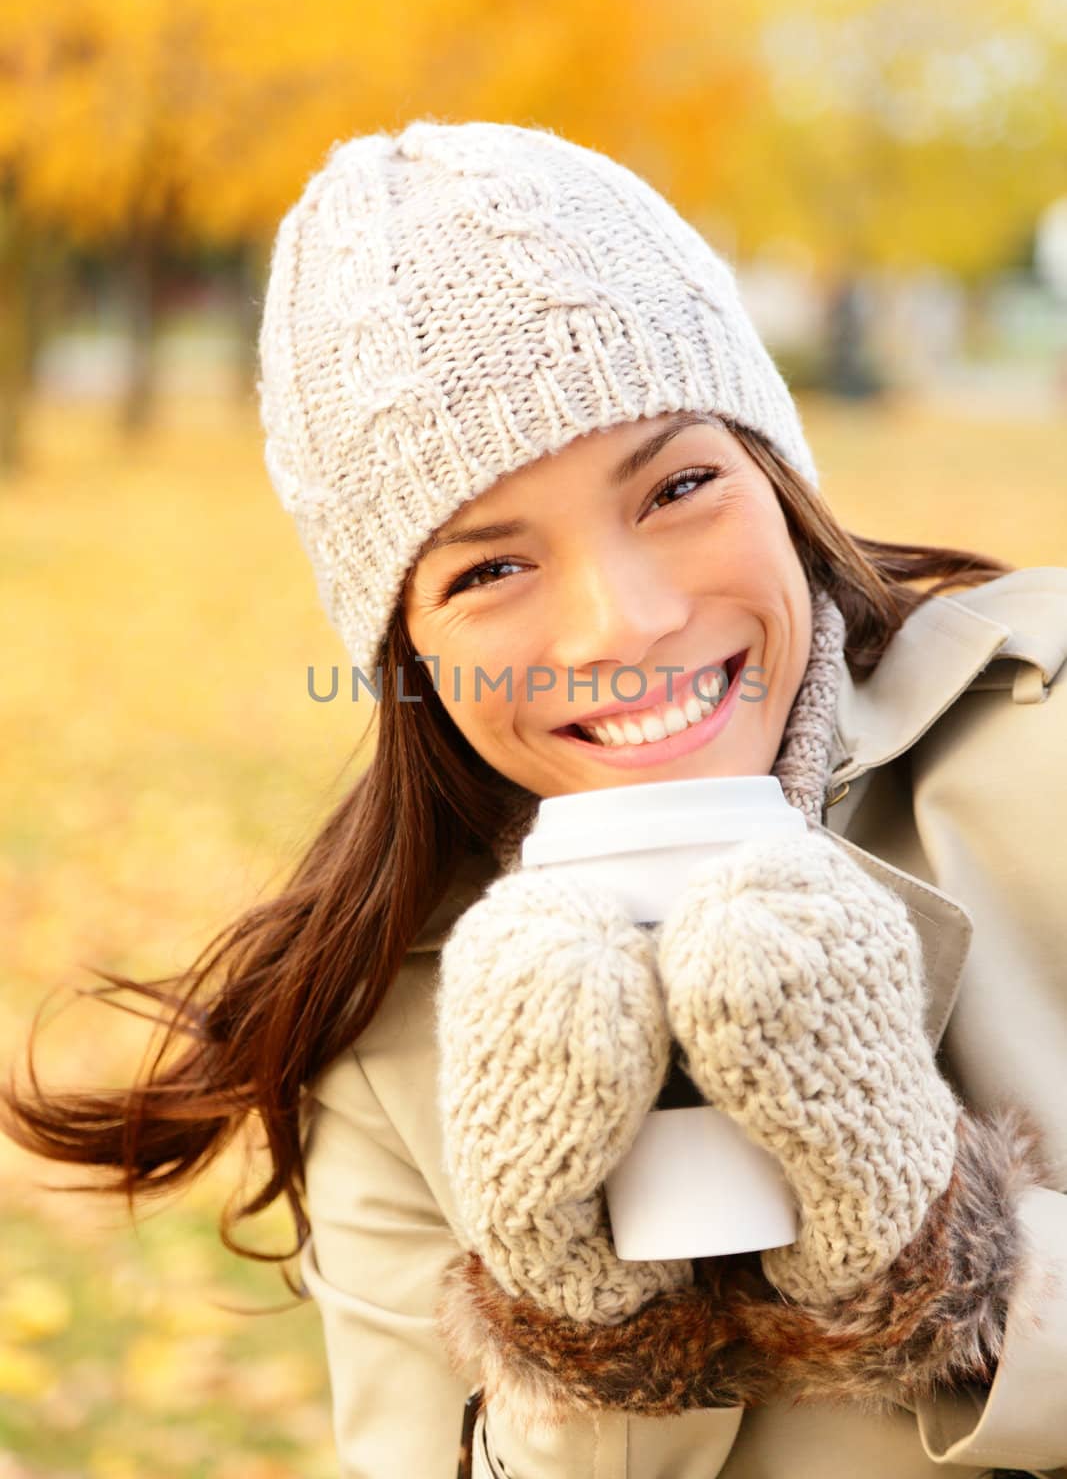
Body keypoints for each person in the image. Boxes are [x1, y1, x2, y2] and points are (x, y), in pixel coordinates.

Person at [3, 119, 1066, 1479]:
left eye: (680, 485)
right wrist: (575, 1330)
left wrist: (948, 1256)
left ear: (778, 477)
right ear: (409, 652)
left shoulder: (1048, 746)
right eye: (490, 571)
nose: (625, 621)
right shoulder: (384, 1028)